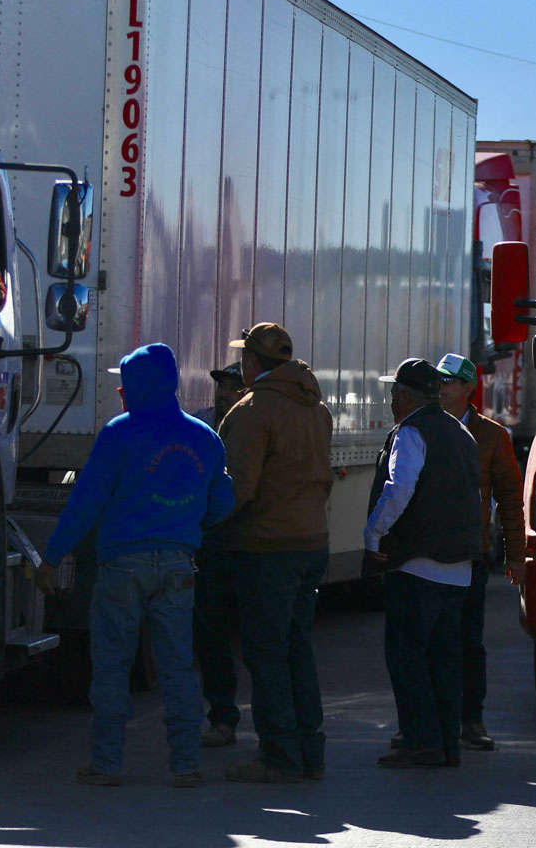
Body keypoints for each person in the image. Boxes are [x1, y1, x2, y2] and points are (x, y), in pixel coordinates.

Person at [37, 343, 234, 788]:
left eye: (124, 385)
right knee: (178, 667)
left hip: (122, 565)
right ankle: (186, 764)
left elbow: (84, 504)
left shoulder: (118, 433)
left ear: (137, 387)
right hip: (180, 566)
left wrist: (51, 557)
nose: (121, 393)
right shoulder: (204, 436)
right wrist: (185, 522)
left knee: (111, 663)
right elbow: (222, 501)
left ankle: (106, 764)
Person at [218, 323, 336, 784]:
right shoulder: (316, 407)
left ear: (251, 362)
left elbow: (238, 489)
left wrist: (203, 522)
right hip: (311, 543)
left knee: (266, 654)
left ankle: (279, 757)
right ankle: (309, 753)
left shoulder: (252, 410)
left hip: (267, 547)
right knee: (296, 650)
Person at [366, 358, 484, 768]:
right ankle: (446, 743)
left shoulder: (412, 431)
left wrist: (374, 534)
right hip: (458, 569)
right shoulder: (462, 432)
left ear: (403, 396)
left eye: (393, 394)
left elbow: (399, 489)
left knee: (408, 656)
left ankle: (421, 740)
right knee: (446, 660)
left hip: (417, 565)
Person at [435, 353, 525, 753]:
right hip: (430, 552)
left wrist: (516, 555)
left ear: (469, 387)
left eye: (449, 381)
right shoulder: (426, 428)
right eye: (439, 380)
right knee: (431, 641)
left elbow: (510, 498)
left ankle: (471, 720)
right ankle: (430, 722)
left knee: (469, 641)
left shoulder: (492, 436)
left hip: (471, 554)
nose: (441, 387)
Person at [192, 362, 249, 748]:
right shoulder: (200, 424)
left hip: (247, 540)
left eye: (233, 387)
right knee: (210, 636)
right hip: (209, 540)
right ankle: (222, 717)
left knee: (258, 639)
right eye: (222, 386)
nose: (223, 393)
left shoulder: (253, 425)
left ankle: (273, 724)